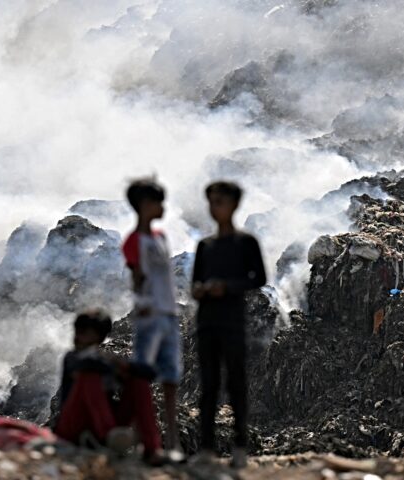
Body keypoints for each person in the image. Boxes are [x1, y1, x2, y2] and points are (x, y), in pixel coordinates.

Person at [191, 181, 267, 469]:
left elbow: (258, 278)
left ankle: (239, 446)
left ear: (234, 205)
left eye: (220, 201)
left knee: (236, 383)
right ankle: (207, 448)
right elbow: (194, 284)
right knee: (208, 385)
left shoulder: (246, 243)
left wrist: (227, 287)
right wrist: (201, 290)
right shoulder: (204, 246)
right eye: (211, 202)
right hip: (207, 322)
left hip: (233, 321)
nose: (215, 207)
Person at [54, 309, 165, 464]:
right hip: (74, 425)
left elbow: (149, 373)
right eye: (78, 330)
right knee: (89, 376)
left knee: (138, 382)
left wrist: (125, 367)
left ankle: (152, 448)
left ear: (98, 336)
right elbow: (86, 365)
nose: (78, 335)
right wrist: (113, 365)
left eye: (85, 331)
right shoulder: (72, 358)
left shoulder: (105, 360)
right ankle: (109, 435)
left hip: (106, 423)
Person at [122, 178, 183, 458]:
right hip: (150, 315)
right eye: (158, 202)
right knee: (143, 376)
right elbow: (136, 277)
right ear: (145, 205)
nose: (162, 207)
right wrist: (142, 303)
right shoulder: (135, 241)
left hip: (168, 313)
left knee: (170, 376)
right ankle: (143, 438)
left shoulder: (160, 238)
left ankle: (171, 440)